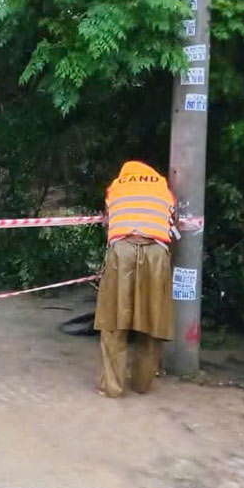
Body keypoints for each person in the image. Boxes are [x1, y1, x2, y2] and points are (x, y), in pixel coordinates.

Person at [95, 160, 177, 397]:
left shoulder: (116, 186)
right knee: (153, 319)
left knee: (113, 320)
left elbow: (108, 219)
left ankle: (112, 387)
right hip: (156, 253)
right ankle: (142, 383)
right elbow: (171, 219)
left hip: (122, 251)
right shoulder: (162, 187)